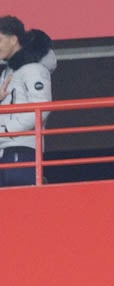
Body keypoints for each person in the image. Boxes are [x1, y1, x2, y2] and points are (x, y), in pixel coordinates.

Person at [0, 17, 54, 187]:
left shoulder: (33, 69)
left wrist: (8, 129)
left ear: (14, 39)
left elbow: (41, 107)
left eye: (0, 40)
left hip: (21, 148)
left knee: (20, 201)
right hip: (6, 147)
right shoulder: (8, 71)